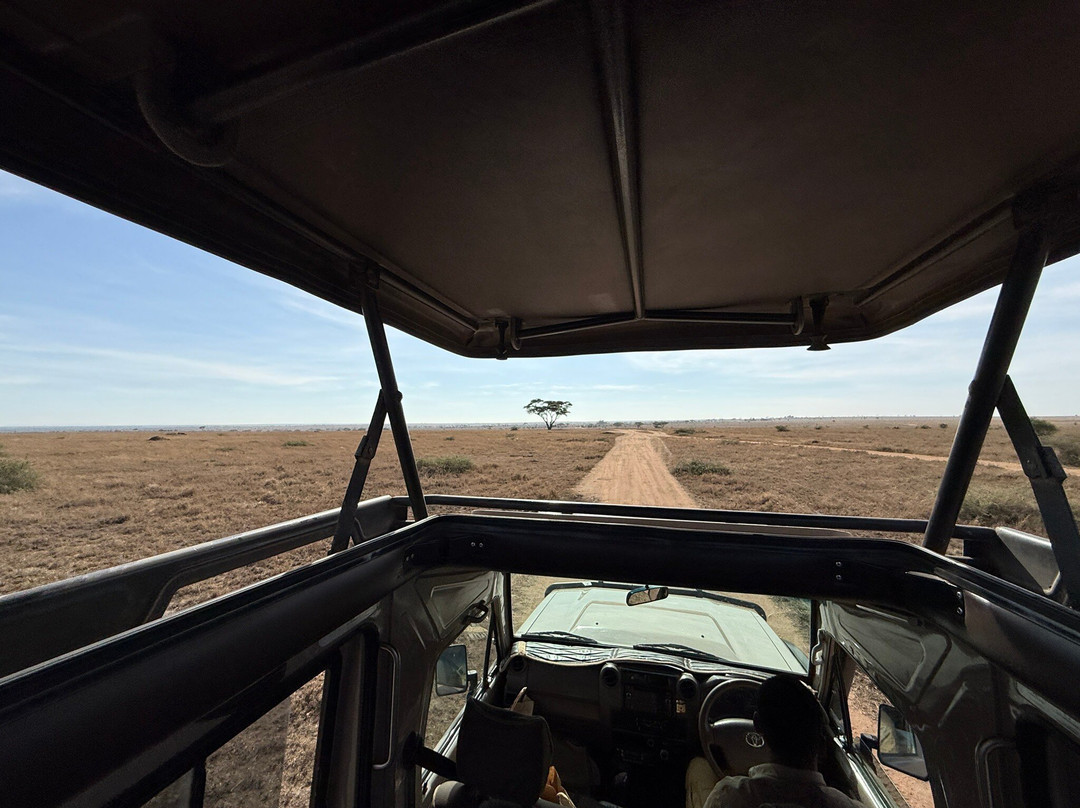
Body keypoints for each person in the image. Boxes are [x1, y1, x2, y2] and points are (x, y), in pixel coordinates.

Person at [685, 675, 863, 808]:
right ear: (821, 741)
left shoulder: (728, 797)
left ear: (758, 725)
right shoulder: (847, 805)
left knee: (698, 766)